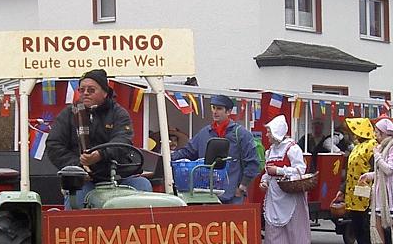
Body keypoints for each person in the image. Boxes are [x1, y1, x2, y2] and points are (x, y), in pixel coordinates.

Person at [46, 69, 152, 208]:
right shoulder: (68, 114)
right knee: (76, 197)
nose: (85, 93)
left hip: (119, 176)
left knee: (143, 185)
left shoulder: (119, 114)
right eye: (82, 89)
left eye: (91, 90)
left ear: (105, 92)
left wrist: (100, 155)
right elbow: (54, 145)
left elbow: (123, 140)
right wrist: (79, 165)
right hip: (84, 179)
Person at [172, 94, 260, 204]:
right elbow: (188, 152)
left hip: (232, 196)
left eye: (219, 109)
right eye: (213, 108)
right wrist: (168, 157)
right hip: (206, 194)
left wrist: (242, 186)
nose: (215, 111)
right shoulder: (204, 133)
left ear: (228, 112)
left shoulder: (242, 134)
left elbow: (253, 162)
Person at [259, 115, 311, 244]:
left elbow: (300, 170)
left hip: (290, 194)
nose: (266, 135)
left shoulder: (292, 148)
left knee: (293, 229)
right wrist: (264, 181)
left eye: (268, 132)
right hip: (274, 195)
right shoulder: (270, 151)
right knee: (273, 229)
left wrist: (280, 171)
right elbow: (267, 172)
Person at [333, 118, 376, 244]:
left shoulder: (372, 146)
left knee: (365, 225)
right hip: (354, 192)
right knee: (357, 224)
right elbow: (351, 172)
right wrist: (342, 190)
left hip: (367, 191)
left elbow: (376, 170)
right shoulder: (357, 147)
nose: (351, 134)